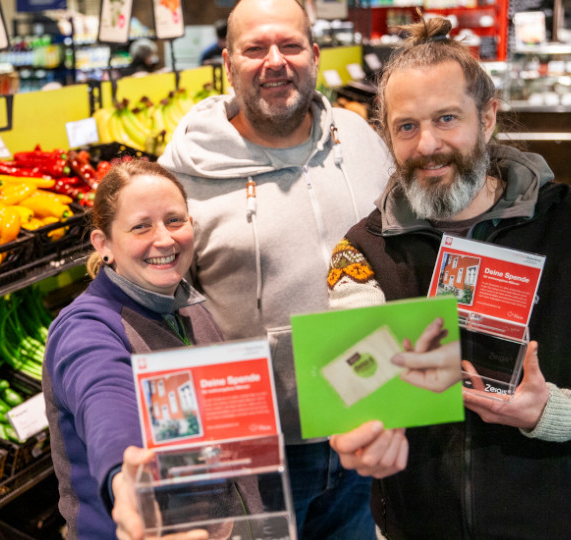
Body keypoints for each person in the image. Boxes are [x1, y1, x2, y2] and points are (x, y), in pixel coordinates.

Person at [326, 17, 571, 539]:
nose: (428, 144)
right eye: (406, 126)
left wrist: (560, 410)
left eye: (448, 118)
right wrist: (363, 425)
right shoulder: (361, 253)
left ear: (489, 116)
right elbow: (355, 388)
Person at [159, 0, 392, 537]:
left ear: (314, 54)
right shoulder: (183, 173)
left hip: (363, 414)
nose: (274, 62)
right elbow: (157, 301)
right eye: (255, 48)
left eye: (289, 46)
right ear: (227, 62)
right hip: (251, 445)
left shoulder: (358, 140)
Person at [43, 161, 245, 539]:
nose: (165, 239)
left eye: (174, 220)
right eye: (141, 226)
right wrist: (126, 481)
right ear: (104, 245)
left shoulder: (186, 304)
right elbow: (104, 400)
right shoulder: (86, 328)